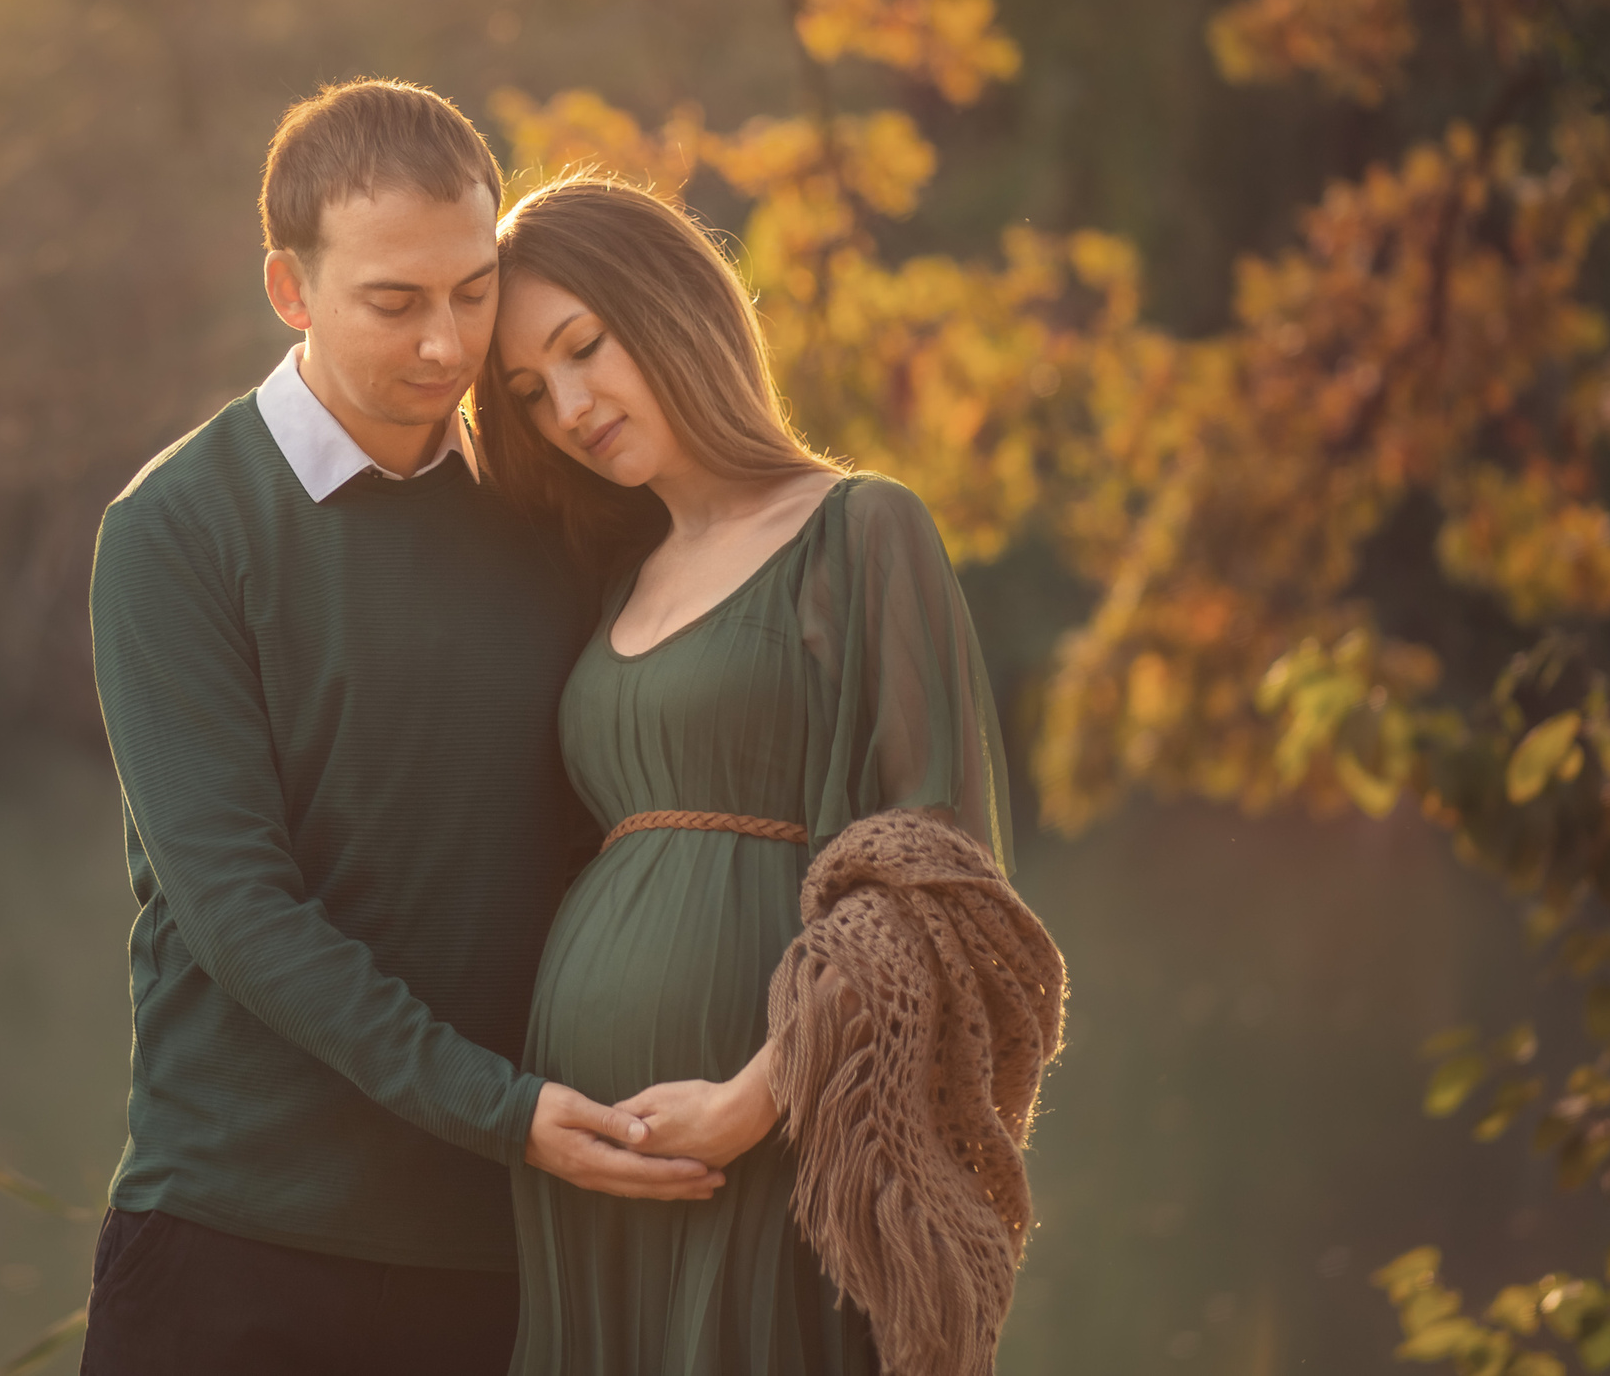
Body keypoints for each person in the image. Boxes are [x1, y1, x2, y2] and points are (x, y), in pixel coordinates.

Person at [81, 85, 721, 1376]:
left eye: (473, 292)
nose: (447, 345)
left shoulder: (558, 515)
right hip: (233, 1242)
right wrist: (508, 1109)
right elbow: (238, 905)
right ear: (289, 286)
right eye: (395, 301)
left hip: (497, 1254)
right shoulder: (178, 529)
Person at [478, 175, 1064, 1376]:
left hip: (768, 1132)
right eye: (531, 393)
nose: (570, 406)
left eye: (583, 348)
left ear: (673, 307)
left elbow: (931, 873)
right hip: (590, 1149)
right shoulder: (612, 579)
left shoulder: (857, 531)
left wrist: (756, 1097)